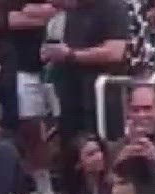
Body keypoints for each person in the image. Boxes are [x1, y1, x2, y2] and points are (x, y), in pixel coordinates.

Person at [41, 0, 131, 139]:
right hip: (71, 96)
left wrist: (71, 55)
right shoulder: (72, 9)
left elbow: (115, 52)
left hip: (101, 95)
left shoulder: (114, 7)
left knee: (102, 144)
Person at [4, 1, 60, 194]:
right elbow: (4, 18)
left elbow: (53, 10)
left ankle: (45, 187)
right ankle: (30, 183)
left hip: (37, 69)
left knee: (34, 129)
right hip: (10, 68)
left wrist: (29, 13)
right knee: (19, 130)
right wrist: (33, 15)